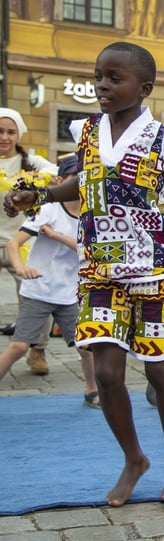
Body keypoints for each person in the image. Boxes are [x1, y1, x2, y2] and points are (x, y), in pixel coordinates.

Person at [3, 41, 164, 506]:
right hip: (99, 266)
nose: (102, 84)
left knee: (159, 370)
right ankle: (133, 458)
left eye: (113, 78)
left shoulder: (163, 138)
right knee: (105, 374)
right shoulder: (87, 131)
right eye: (99, 75)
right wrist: (35, 196)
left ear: (143, 88)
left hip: (153, 267)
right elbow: (79, 181)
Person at [0, 155, 99, 407]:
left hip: (69, 294)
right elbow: (13, 243)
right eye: (73, 180)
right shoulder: (49, 209)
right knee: (19, 346)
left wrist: (55, 235)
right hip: (39, 291)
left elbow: (85, 250)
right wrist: (21, 268)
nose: (80, 185)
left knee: (85, 347)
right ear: (60, 181)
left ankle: (92, 390)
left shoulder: (92, 217)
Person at [0, 107, 58, 374]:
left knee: (35, 297)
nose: (5, 137)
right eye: (0, 131)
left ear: (19, 134)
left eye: (11, 132)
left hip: (23, 244)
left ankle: (37, 351)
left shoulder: (32, 164)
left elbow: (59, 174)